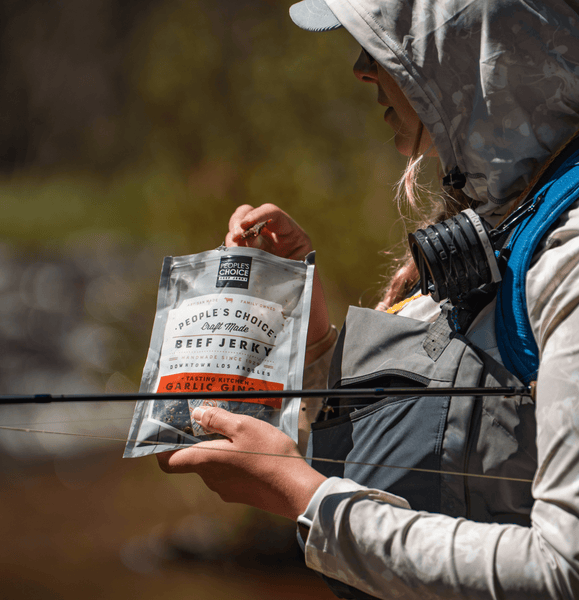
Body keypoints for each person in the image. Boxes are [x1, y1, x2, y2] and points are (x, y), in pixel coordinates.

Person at [157, 0, 579, 597]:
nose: (360, 68)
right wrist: (311, 343)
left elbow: (564, 571)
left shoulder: (569, 259)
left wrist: (305, 499)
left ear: (467, 53)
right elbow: (450, 420)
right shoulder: (505, 223)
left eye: (388, 43)